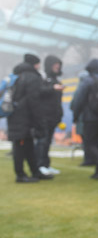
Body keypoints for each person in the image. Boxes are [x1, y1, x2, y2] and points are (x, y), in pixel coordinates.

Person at [8, 54, 53, 183]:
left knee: (28, 145)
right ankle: (20, 175)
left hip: (16, 116)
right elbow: (34, 101)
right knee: (20, 146)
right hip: (24, 118)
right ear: (35, 64)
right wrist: (40, 121)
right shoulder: (32, 77)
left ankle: (35, 172)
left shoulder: (17, 75)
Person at [70, 58, 98, 179]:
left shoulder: (87, 81)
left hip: (90, 117)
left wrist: (76, 116)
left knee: (89, 143)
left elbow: (79, 100)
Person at [35, 54, 64, 176]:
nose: (57, 67)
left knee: (47, 142)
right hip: (44, 116)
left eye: (58, 65)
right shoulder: (42, 78)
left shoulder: (56, 80)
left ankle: (46, 164)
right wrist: (53, 88)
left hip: (53, 116)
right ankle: (39, 165)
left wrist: (59, 114)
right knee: (42, 141)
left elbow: (57, 101)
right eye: (55, 64)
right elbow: (39, 92)